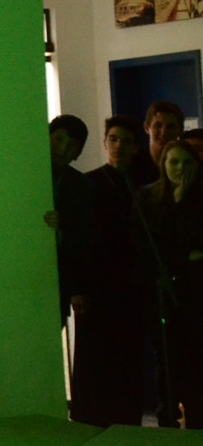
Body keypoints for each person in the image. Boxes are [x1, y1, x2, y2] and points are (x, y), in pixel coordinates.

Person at [71, 116, 146, 427]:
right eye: (113, 139)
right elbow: (78, 240)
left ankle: (128, 420)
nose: (119, 146)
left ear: (136, 146)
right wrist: (78, 287)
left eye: (126, 141)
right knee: (95, 357)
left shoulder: (144, 185)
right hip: (96, 287)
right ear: (105, 143)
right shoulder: (88, 184)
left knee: (129, 357)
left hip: (132, 286)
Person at [140, 139, 203, 428]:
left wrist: (184, 201)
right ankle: (167, 419)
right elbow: (146, 246)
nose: (180, 168)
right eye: (174, 162)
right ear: (163, 164)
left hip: (196, 294)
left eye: (187, 162)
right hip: (161, 294)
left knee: (196, 362)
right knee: (166, 362)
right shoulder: (147, 198)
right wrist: (184, 256)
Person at [43, 115, 94, 326]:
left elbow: (86, 240)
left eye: (72, 145)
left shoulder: (82, 187)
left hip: (59, 284)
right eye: (59, 139)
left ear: (78, 153)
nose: (63, 149)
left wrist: (60, 233)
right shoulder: (25, 175)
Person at [131, 101, 185, 186]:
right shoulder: (132, 164)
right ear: (147, 128)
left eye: (170, 127)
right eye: (158, 126)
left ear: (181, 130)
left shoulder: (186, 164)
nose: (164, 132)